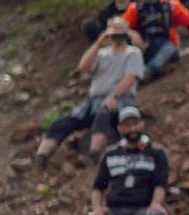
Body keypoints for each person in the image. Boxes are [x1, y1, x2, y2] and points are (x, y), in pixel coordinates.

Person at [73, 106, 168, 215]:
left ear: (141, 124)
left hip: (141, 210)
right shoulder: (111, 153)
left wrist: (156, 204)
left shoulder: (156, 152)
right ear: (120, 129)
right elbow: (98, 186)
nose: (132, 129)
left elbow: (161, 183)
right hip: (115, 212)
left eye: (135, 123)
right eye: (127, 125)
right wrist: (97, 207)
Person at [35, 19, 143, 168]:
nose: (117, 36)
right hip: (93, 101)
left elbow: (130, 78)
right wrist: (98, 43)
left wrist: (113, 96)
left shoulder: (133, 53)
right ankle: (42, 157)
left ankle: (94, 154)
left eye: (120, 31)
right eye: (114, 32)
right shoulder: (102, 53)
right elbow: (83, 67)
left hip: (119, 100)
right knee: (61, 123)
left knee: (102, 116)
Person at [122, 0, 189, 81]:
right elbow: (119, 27)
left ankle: (145, 73)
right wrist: (131, 33)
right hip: (146, 48)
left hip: (168, 47)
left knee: (168, 49)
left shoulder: (171, 5)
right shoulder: (135, 9)